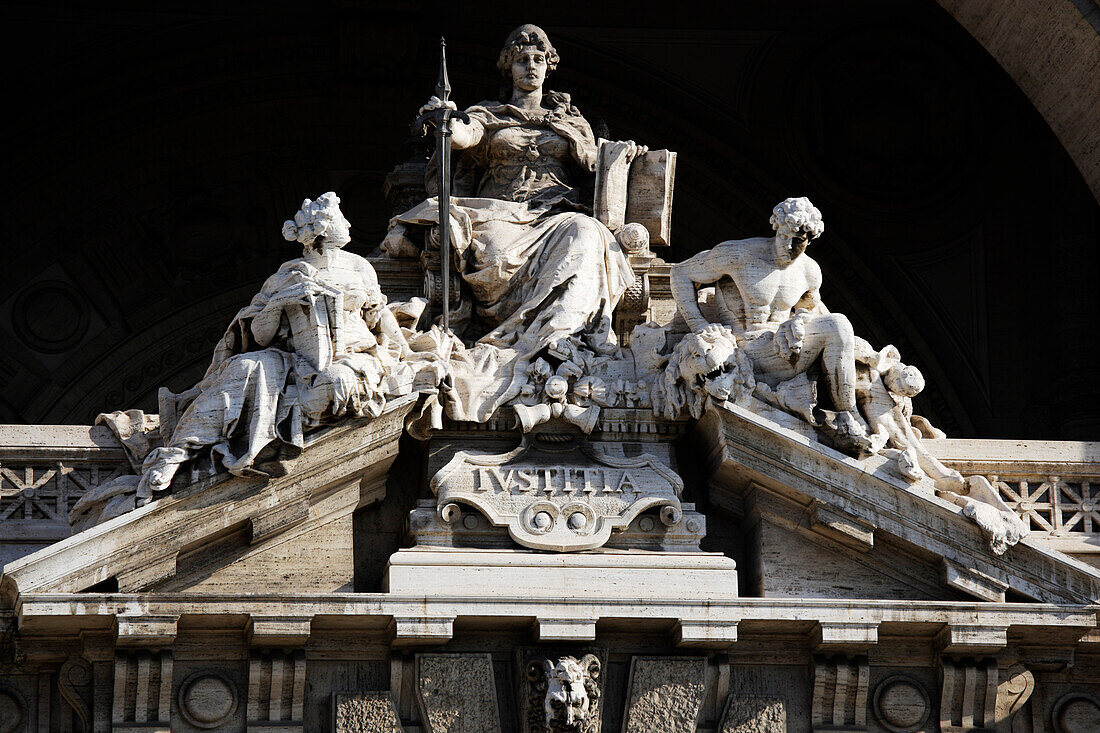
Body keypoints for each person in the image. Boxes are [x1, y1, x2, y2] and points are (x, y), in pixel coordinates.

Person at [384, 24, 642, 422]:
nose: (531, 66)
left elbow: (596, 165)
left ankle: (559, 339)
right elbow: (467, 136)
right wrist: (448, 123)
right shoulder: (490, 115)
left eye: (538, 59)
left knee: (586, 233)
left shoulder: (572, 121)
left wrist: (626, 155)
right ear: (508, 67)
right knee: (498, 255)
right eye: (522, 59)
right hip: (500, 213)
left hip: (556, 213)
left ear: (549, 66)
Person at [136, 193, 418, 498]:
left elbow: (379, 316)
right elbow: (258, 334)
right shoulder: (287, 275)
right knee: (241, 369)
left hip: (354, 356)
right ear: (323, 230)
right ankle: (175, 454)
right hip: (293, 359)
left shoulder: (360, 267)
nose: (349, 224)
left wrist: (407, 351)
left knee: (336, 383)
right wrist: (280, 303)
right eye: (340, 219)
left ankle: (275, 436)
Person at [670, 197, 871, 443]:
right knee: (837, 324)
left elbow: (809, 306)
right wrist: (698, 325)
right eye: (784, 236)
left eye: (798, 241)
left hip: (784, 351)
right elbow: (680, 273)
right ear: (776, 228)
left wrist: (798, 320)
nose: (789, 245)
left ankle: (846, 416)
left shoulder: (810, 271)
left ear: (809, 239)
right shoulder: (739, 254)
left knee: (838, 324)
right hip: (742, 351)